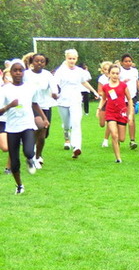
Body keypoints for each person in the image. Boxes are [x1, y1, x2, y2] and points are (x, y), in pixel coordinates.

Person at [0, 60, 49, 194]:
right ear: (10, 73)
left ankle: (30, 160)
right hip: (11, 128)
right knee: (14, 161)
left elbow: (34, 104)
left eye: (20, 70)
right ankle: (19, 185)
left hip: (27, 125)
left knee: (28, 151)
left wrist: (44, 118)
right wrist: (9, 106)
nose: (18, 73)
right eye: (15, 70)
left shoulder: (30, 88)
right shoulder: (5, 90)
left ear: (23, 73)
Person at [54, 49, 99, 158]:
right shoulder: (60, 71)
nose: (72, 61)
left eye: (74, 59)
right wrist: (54, 93)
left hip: (76, 100)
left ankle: (76, 147)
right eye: (70, 58)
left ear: (77, 59)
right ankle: (66, 136)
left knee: (76, 123)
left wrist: (94, 91)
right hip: (63, 100)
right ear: (66, 58)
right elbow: (54, 84)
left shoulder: (79, 71)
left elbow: (83, 82)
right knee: (67, 124)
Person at [24, 53, 58, 168]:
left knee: (43, 136)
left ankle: (38, 156)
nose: (39, 63)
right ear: (32, 62)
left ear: (45, 63)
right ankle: (32, 157)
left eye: (42, 61)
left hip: (44, 106)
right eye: (37, 61)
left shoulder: (48, 75)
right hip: (30, 106)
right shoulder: (26, 75)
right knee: (38, 128)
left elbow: (54, 88)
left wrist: (55, 94)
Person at [96, 64, 134, 163]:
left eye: (117, 73)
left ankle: (118, 147)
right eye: (113, 73)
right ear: (109, 74)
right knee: (114, 135)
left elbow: (129, 99)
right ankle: (118, 158)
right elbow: (104, 99)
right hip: (110, 113)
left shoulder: (123, 85)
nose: (115, 75)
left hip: (122, 112)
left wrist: (130, 113)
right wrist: (99, 108)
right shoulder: (106, 87)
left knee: (121, 139)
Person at [119, 54, 139, 149]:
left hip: (131, 97)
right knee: (120, 118)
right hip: (120, 98)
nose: (128, 63)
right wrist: (122, 82)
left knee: (131, 118)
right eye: (126, 61)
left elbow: (136, 81)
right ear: (122, 62)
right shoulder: (119, 71)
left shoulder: (135, 71)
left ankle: (132, 140)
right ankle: (118, 138)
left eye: (130, 61)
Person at [97, 61, 112, 147]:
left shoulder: (116, 77)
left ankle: (105, 140)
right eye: (105, 69)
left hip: (112, 102)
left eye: (108, 69)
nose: (107, 71)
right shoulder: (102, 79)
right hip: (104, 101)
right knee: (102, 124)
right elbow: (99, 92)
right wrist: (107, 93)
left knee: (110, 121)